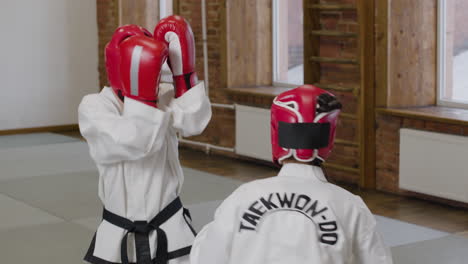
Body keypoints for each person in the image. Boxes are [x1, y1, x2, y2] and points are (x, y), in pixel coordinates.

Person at [190, 85, 393, 264]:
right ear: (329, 139)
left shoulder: (243, 197)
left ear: (276, 133)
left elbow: (204, 259)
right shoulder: (350, 206)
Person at [80, 15, 211, 264]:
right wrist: (142, 99)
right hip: (119, 234)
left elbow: (195, 123)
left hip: (170, 226)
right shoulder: (94, 106)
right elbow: (134, 142)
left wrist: (184, 76)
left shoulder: (163, 94)